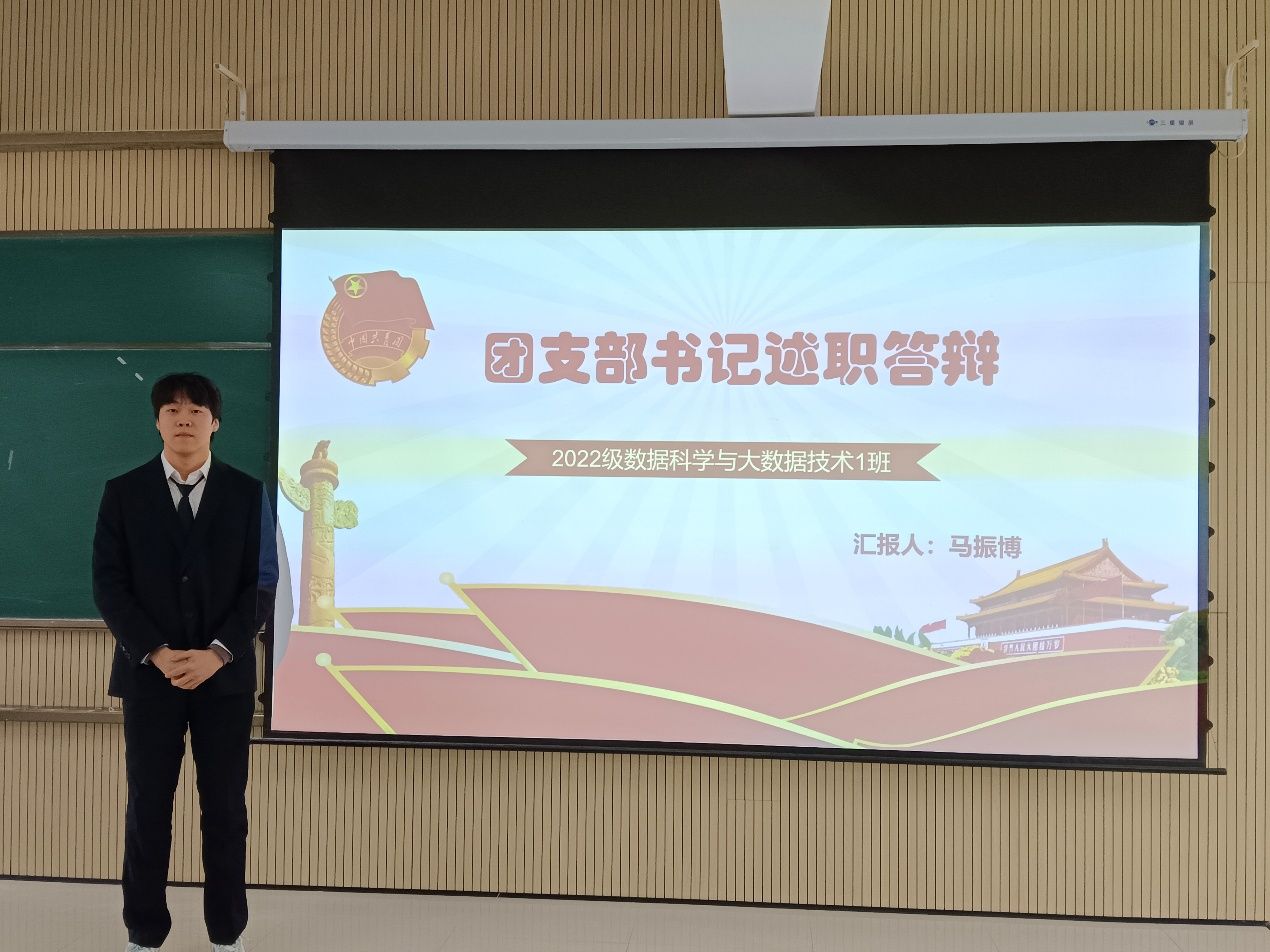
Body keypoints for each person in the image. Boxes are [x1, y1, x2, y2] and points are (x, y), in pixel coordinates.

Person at [93, 373, 275, 952]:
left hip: (224, 679)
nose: (184, 418)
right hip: (151, 676)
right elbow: (109, 585)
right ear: (157, 422)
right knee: (148, 806)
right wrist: (157, 651)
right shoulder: (123, 492)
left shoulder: (247, 493)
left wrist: (219, 652)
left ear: (215, 422)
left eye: (196, 409)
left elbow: (262, 585)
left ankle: (227, 932)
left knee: (224, 810)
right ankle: (145, 932)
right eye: (172, 410)